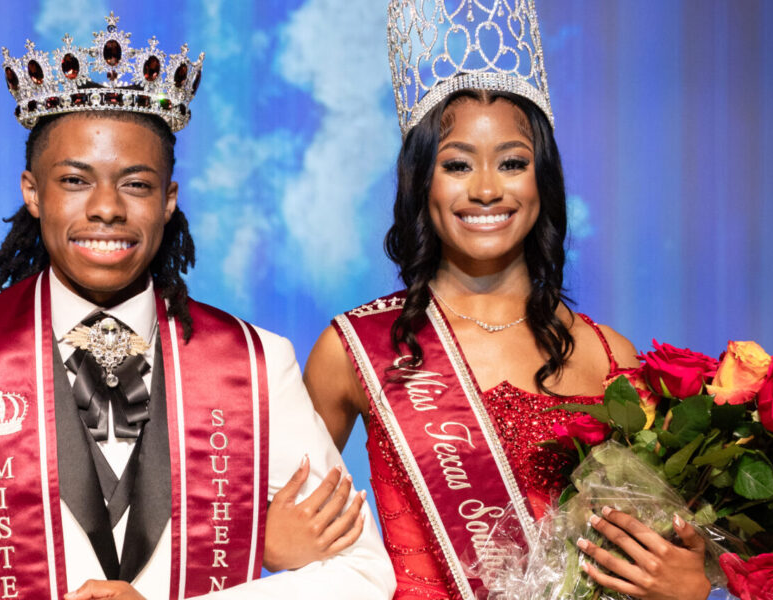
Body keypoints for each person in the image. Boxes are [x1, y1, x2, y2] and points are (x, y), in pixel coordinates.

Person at [0, 14, 393, 600]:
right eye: (75, 180)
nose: (106, 208)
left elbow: (363, 575)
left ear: (168, 199)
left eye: (136, 184)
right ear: (32, 192)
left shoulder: (253, 365)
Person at [303, 1, 710, 599]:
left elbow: (650, 547)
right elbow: (279, 529)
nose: (488, 189)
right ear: (422, 182)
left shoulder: (607, 355)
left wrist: (689, 587)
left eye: (513, 163)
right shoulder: (354, 348)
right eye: (458, 165)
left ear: (542, 180)